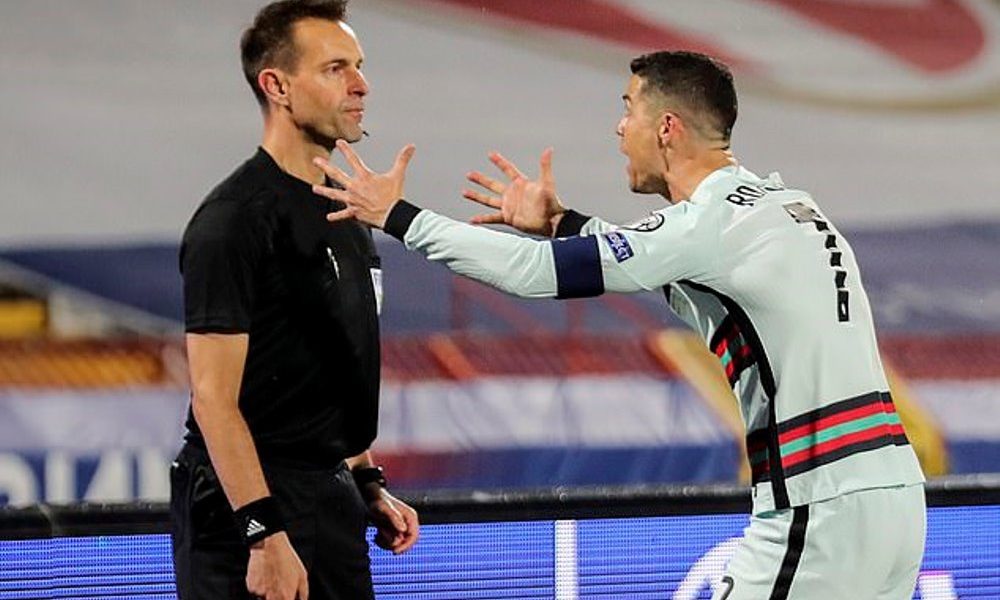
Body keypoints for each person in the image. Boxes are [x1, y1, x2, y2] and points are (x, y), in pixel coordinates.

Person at [313, 51, 926, 599]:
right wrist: (563, 224)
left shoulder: (709, 225)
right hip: (897, 499)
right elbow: (664, 260)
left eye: (628, 107)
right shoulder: (785, 206)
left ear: (667, 128)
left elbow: (535, 272)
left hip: (820, 511)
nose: (618, 126)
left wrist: (399, 217)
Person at [172, 2, 419, 599]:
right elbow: (213, 399)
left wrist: (365, 479)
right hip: (245, 509)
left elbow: (331, 365)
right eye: (336, 68)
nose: (361, 85)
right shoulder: (234, 220)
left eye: (359, 66)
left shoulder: (345, 209)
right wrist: (263, 536)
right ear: (276, 86)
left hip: (330, 497)